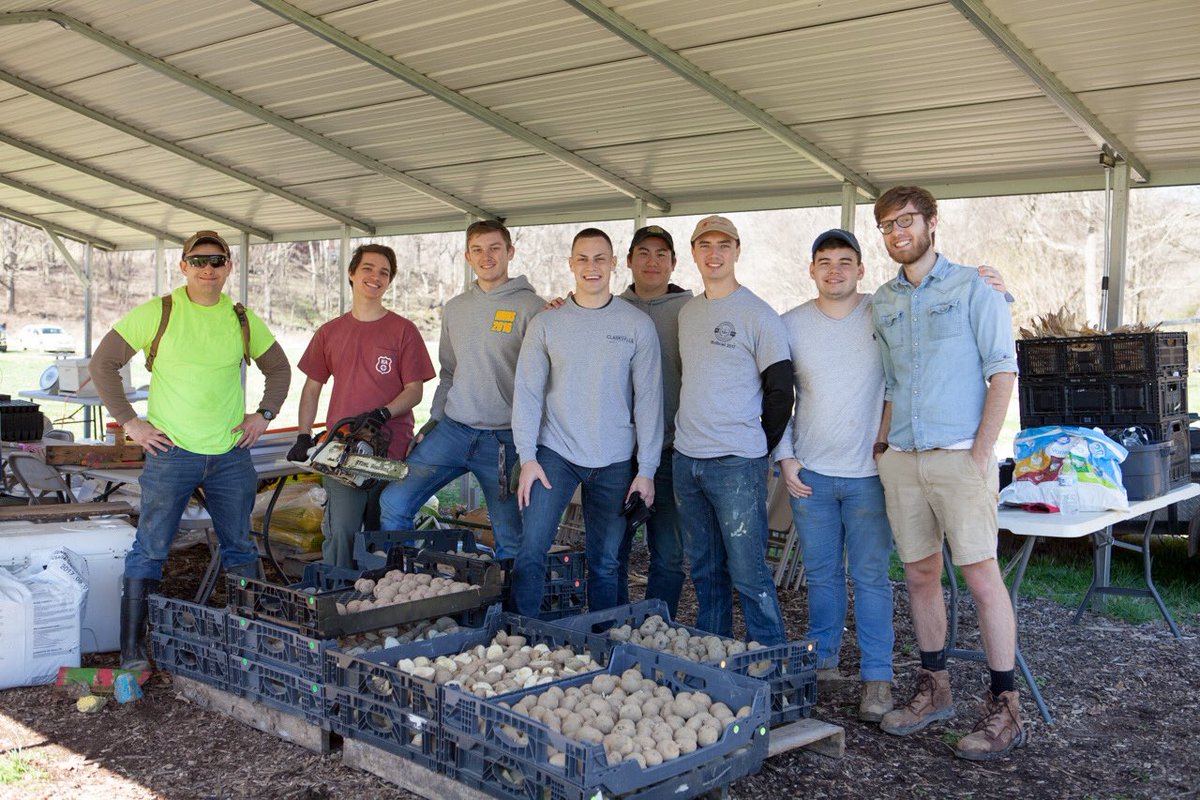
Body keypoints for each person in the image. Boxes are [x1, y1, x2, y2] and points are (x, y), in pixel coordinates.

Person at [89, 230, 291, 671]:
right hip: (172, 453)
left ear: (228, 267)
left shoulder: (241, 318)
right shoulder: (159, 312)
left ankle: (248, 644)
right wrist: (131, 422)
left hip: (230, 455)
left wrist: (264, 414)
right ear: (183, 266)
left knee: (241, 548)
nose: (207, 268)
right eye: (198, 260)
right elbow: (103, 363)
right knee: (150, 549)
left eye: (217, 260)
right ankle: (133, 651)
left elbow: (279, 368)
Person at [870, 186, 1024, 761]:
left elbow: (1002, 371)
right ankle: (934, 689)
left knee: (982, 579)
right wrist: (882, 444)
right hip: (904, 460)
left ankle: (1007, 707)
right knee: (919, 575)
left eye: (906, 221)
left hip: (961, 457)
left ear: (932, 222)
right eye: (887, 225)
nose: (898, 233)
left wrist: (981, 454)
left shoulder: (974, 287)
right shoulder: (883, 300)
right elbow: (891, 381)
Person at [774, 228, 897, 722]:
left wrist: (990, 286)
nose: (835, 271)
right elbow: (776, 398)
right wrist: (786, 458)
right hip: (812, 476)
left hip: (869, 475)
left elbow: (899, 381)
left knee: (870, 578)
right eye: (824, 262)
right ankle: (822, 661)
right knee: (822, 576)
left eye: (845, 262)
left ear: (861, 269)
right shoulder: (790, 325)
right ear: (811, 270)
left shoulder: (883, 312)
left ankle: (877, 679)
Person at [511, 228, 663, 618]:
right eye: (583, 258)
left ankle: (604, 639)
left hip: (614, 459)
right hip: (554, 455)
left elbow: (649, 401)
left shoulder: (636, 325)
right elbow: (527, 392)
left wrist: (646, 470)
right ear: (571, 264)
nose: (591, 266)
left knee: (606, 562)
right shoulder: (547, 323)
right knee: (531, 551)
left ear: (613, 264)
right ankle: (521, 635)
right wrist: (527, 457)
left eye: (599, 258)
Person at [378, 220, 544, 559]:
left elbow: (545, 381)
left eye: (495, 248)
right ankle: (402, 580)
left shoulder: (533, 308)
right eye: (477, 250)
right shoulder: (455, 308)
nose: (486, 256)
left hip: (504, 441)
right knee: (394, 501)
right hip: (453, 432)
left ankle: (508, 594)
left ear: (510, 252)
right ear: (468, 257)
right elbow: (449, 372)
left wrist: (530, 447)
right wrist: (434, 421)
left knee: (509, 536)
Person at [673, 215, 792, 646]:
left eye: (724, 245)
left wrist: (755, 446)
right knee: (705, 570)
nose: (714, 253)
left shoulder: (758, 315)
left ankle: (772, 660)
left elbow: (781, 392)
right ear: (694, 253)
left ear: (737, 251)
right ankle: (715, 651)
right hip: (687, 460)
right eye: (705, 245)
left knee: (748, 572)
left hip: (736, 463)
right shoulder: (688, 312)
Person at [291, 244, 435, 568]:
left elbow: (415, 390)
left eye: (384, 272)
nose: (375, 277)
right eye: (368, 268)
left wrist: (384, 412)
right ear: (352, 274)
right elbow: (312, 388)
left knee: (382, 534)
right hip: (342, 452)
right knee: (341, 531)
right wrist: (303, 435)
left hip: (389, 452)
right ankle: (337, 592)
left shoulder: (403, 331)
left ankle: (383, 594)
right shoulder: (329, 332)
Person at [615, 225, 691, 618]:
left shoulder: (691, 311)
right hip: (615, 452)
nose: (652, 261)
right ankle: (611, 625)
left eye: (661, 254)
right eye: (643, 253)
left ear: (674, 263)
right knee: (612, 549)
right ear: (629, 261)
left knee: (669, 553)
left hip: (670, 449)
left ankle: (657, 629)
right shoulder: (608, 309)